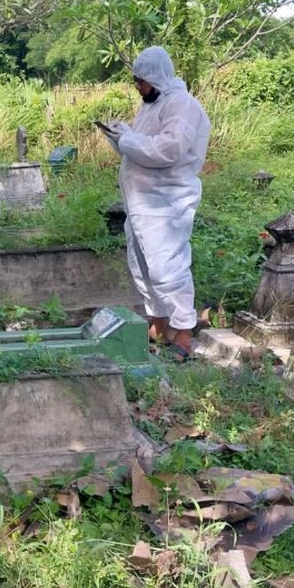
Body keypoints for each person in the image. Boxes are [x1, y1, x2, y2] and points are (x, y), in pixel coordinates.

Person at [99, 46, 211, 360]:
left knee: (168, 268)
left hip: (167, 203)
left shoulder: (182, 105)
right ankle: (159, 329)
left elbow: (168, 149)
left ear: (156, 76)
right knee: (143, 266)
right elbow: (141, 144)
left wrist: (127, 140)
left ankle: (184, 337)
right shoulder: (153, 104)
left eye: (141, 80)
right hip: (142, 202)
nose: (137, 86)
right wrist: (120, 135)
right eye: (135, 80)